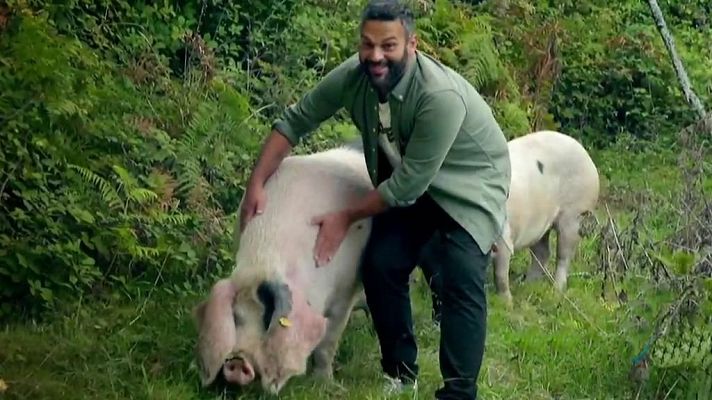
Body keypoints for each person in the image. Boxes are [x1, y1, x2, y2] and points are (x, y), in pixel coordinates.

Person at [238, 0, 511, 398]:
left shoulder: (440, 97)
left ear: (411, 45)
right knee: (382, 264)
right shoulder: (354, 76)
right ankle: (401, 373)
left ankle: (458, 390)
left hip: (470, 186)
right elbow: (296, 120)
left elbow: (407, 187)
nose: (375, 55)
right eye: (367, 45)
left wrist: (345, 217)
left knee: (461, 274)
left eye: (388, 45)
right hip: (408, 178)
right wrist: (256, 184)